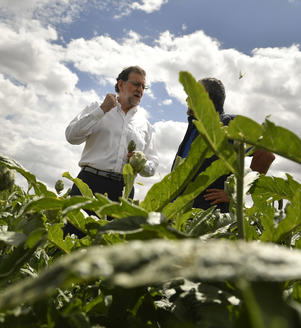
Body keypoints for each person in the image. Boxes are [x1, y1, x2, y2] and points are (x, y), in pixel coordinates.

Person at [64, 66, 159, 237]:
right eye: (136, 84)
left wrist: (140, 162)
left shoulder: (145, 125)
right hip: (90, 183)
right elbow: (71, 136)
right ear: (121, 84)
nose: (140, 90)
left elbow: (152, 166)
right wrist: (101, 110)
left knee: (110, 248)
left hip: (124, 190)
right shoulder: (97, 108)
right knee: (73, 237)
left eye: (143, 87)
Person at [172, 77, 275, 213]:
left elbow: (266, 154)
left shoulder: (230, 123)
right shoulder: (194, 128)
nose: (188, 98)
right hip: (179, 213)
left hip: (208, 216)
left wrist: (237, 191)